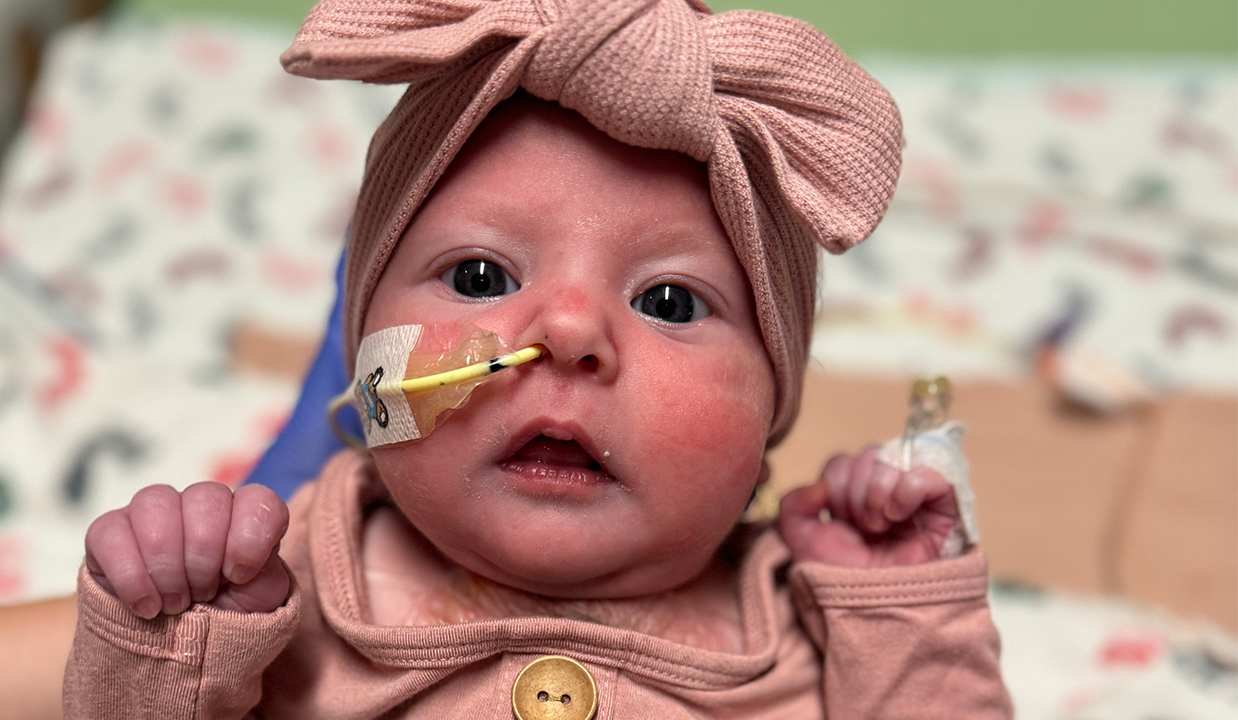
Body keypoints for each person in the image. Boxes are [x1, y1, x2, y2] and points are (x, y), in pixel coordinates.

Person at [64, 0, 1012, 717]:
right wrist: (169, 633)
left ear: (772, 412)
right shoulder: (280, 583)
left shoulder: (817, 626)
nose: (564, 333)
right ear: (367, 363)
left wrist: (899, 605)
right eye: (478, 275)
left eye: (669, 301)